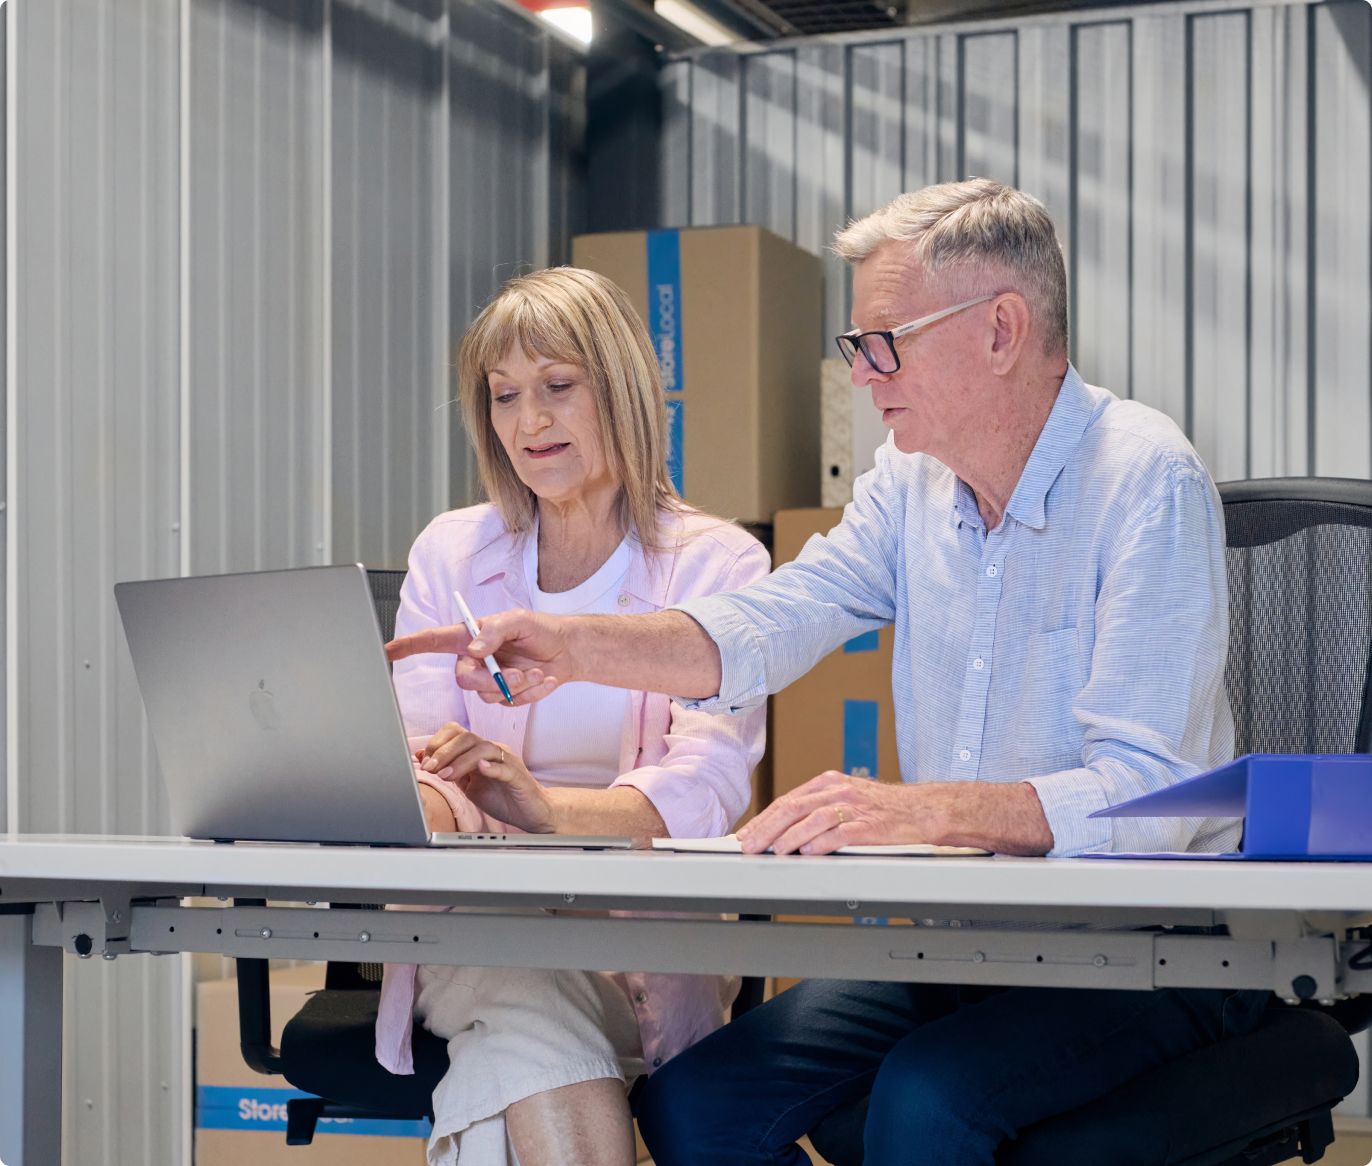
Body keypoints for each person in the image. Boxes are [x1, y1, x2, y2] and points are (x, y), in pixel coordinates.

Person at [426, 180, 1270, 1165]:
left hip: (1153, 948)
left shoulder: (1144, 482)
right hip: (976, 940)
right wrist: (575, 646)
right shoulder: (909, 484)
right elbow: (769, 622)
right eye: (856, 345)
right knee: (698, 1103)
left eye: (884, 339)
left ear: (1000, 328)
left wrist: (921, 811)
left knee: (923, 1104)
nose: (863, 374)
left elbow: (1149, 797)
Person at [378, 266, 768, 1166]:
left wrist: (546, 812)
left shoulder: (716, 565)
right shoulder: (453, 551)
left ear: (622, 391)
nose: (528, 422)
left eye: (557, 387)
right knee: (517, 974)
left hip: (642, 943)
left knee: (512, 1060)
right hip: (472, 922)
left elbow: (705, 787)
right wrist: (401, 795)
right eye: (504, 396)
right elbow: (423, 761)